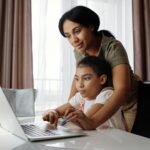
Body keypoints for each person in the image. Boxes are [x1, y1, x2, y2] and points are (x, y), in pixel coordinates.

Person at [57, 5, 141, 132]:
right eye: (68, 35)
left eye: (77, 31)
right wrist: (69, 109)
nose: (73, 40)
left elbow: (122, 90)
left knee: (124, 142)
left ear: (91, 26)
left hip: (126, 103)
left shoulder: (113, 47)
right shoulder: (79, 50)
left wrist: (92, 122)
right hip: (101, 101)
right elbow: (78, 78)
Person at [43, 56, 126, 130]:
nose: (80, 84)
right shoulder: (81, 97)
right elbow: (58, 111)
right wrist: (52, 113)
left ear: (102, 80)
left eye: (86, 78)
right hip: (95, 140)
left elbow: (87, 122)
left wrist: (70, 117)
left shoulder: (107, 94)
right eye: (77, 79)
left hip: (113, 141)